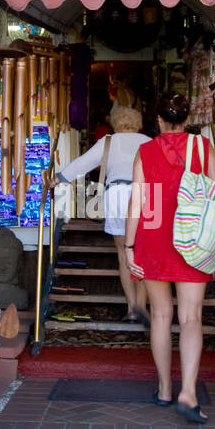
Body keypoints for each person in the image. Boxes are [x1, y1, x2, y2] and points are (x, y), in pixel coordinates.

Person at [125, 91, 215, 423]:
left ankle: (165, 389)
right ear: (186, 119)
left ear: (158, 120)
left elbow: (138, 203)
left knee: (159, 316)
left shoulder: (145, 151)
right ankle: (190, 393)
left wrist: (129, 247)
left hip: (153, 237)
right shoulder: (202, 149)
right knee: (191, 318)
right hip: (192, 238)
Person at [56, 102, 152, 321]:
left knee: (123, 253)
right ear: (138, 124)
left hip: (118, 195)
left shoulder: (108, 141)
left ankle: (131, 308)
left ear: (116, 124)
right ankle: (142, 306)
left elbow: (83, 163)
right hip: (146, 195)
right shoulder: (148, 141)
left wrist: (59, 178)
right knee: (144, 254)